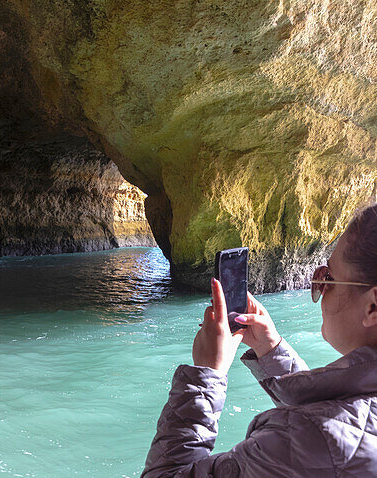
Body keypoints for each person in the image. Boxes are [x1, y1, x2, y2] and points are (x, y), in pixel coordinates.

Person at [142, 204, 377, 477]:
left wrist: (205, 375)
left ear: (372, 307)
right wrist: (271, 349)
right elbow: (345, 420)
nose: (320, 288)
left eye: (329, 277)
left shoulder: (307, 439)